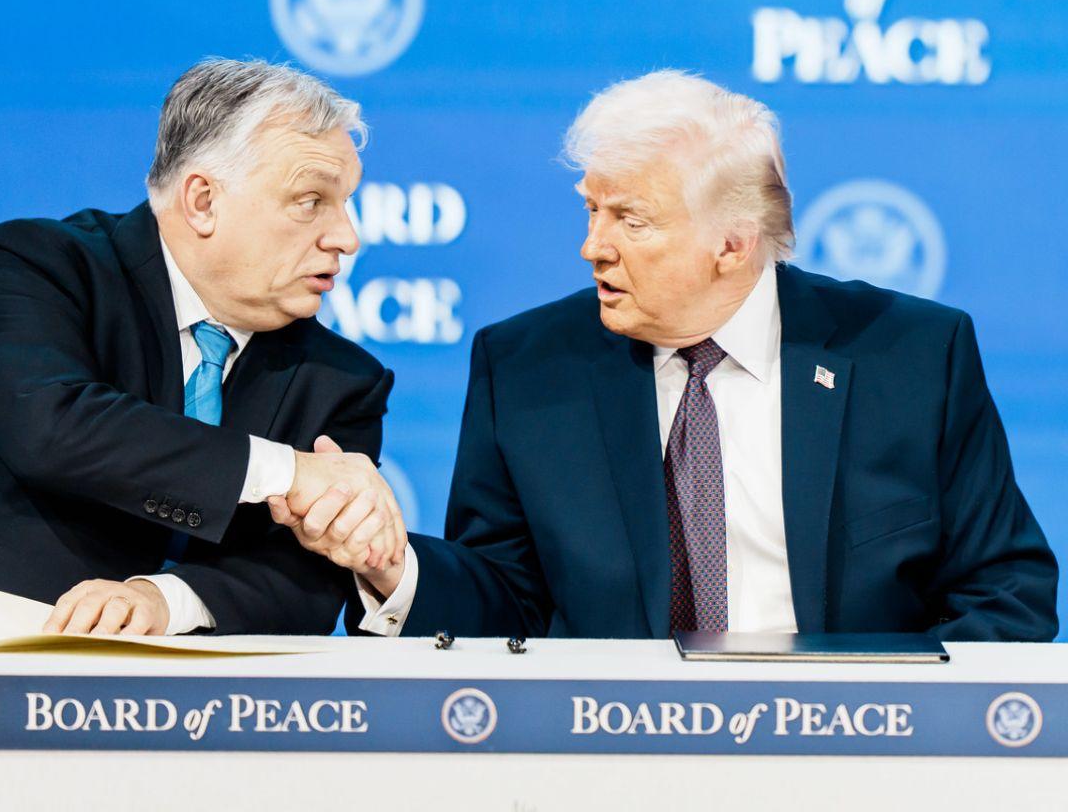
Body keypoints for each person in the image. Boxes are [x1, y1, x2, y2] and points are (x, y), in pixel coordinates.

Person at [278, 69, 1058, 641]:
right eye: (591, 210)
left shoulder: (909, 356)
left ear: (733, 242)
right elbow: (504, 606)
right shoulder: (525, 369)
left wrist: (896, 733)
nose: (592, 247)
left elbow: (1005, 592)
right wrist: (391, 566)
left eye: (631, 220)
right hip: (613, 762)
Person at [0, 58, 404, 637]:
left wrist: (163, 601)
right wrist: (288, 472)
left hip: (183, 690)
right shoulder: (31, 267)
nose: (347, 237)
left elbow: (304, 578)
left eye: (346, 202)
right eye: (311, 200)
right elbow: (55, 428)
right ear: (203, 201)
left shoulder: (343, 379)